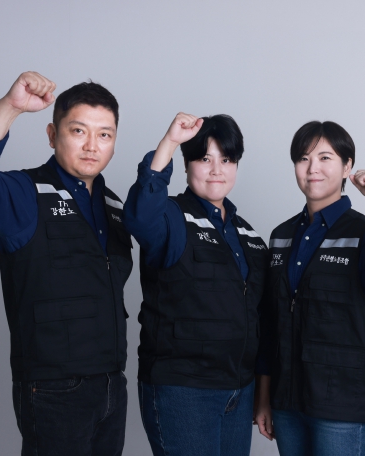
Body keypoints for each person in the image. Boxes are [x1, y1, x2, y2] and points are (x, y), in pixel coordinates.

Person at [0, 72, 133, 456]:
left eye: (105, 134)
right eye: (78, 131)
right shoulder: (25, 193)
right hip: (54, 387)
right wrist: (11, 106)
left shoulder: (114, 206)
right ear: (52, 134)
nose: (92, 145)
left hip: (112, 383)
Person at [253, 120, 365, 456]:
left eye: (325, 158)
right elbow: (270, 323)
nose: (313, 168)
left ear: (347, 166)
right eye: (303, 158)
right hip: (286, 402)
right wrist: (264, 397)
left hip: (341, 405)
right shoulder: (281, 236)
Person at [123, 113, 268, 456]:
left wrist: (261, 389)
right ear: (187, 165)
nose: (217, 169)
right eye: (205, 159)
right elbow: (140, 216)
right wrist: (170, 142)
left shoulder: (248, 236)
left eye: (226, 160)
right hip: (184, 390)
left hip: (239, 389)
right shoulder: (171, 217)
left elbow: (262, 316)